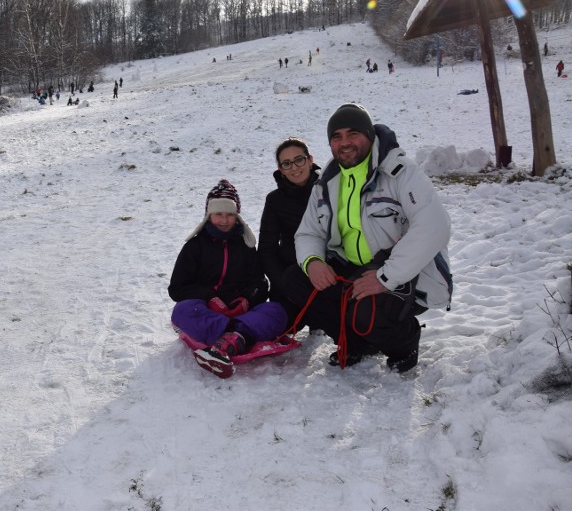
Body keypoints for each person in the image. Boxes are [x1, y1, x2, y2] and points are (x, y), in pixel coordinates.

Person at [278, 103, 452, 373]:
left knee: (368, 312)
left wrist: (386, 276)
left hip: (398, 271)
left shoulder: (400, 171)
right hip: (350, 266)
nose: (345, 143)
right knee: (296, 280)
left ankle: (404, 344)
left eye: (353, 134)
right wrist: (313, 261)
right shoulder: (327, 180)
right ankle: (356, 342)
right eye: (337, 137)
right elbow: (308, 231)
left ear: (369, 135)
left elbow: (434, 226)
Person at [169, 179, 288, 378]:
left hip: (241, 312)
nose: (224, 220)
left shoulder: (245, 246)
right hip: (208, 312)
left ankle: (229, 339)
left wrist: (246, 299)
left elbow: (260, 283)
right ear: (208, 216)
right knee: (182, 310)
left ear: (237, 217)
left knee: (276, 310)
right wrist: (208, 297)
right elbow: (177, 288)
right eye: (218, 214)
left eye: (230, 215)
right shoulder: (194, 247)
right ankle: (238, 337)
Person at [258, 137, 320, 308]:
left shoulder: (329, 190)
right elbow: (266, 249)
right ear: (281, 169)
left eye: (299, 160)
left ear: (310, 160)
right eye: (286, 163)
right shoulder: (275, 200)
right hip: (290, 277)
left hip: (328, 275)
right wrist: (284, 284)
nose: (294, 167)